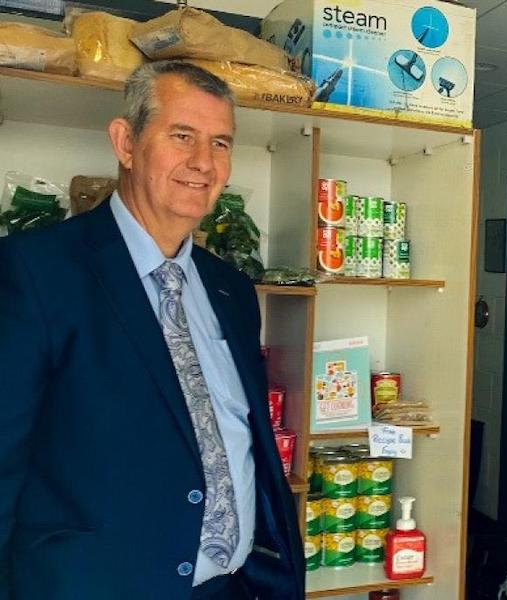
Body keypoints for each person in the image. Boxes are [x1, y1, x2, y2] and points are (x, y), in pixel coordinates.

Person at [0, 61, 303, 599]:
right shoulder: (35, 272)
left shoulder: (231, 290)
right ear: (125, 142)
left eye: (221, 143)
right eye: (181, 136)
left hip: (229, 588)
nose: (202, 163)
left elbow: (240, 441)